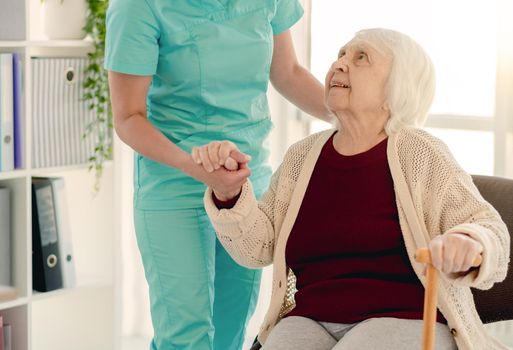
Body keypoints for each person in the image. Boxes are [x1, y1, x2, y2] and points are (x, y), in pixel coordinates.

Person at [194, 28, 510, 349]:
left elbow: (490, 229)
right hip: (309, 318)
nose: (341, 63)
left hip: (402, 317)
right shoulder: (302, 156)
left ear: (395, 88)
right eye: (341, 54)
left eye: (361, 57)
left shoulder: (420, 152)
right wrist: (229, 194)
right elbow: (258, 248)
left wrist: (470, 241)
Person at [104, 1, 333, 349]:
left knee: (231, 331)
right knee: (185, 336)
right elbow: (128, 117)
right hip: (174, 184)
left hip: (245, 184)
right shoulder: (139, 6)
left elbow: (288, 72)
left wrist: (353, 117)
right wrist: (195, 167)